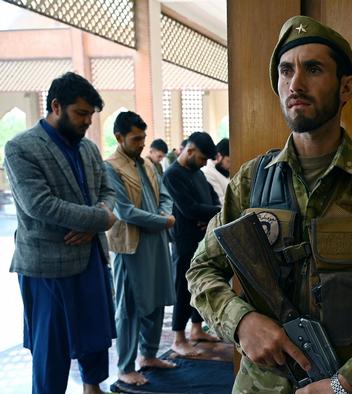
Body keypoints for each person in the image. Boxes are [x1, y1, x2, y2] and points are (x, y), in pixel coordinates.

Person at [186, 16, 352, 394]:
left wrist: (344, 384)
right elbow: (201, 270)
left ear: (346, 87)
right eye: (286, 71)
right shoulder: (250, 181)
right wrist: (241, 321)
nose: (295, 84)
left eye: (313, 69)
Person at [4, 72, 117, 394]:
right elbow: (39, 205)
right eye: (81, 114)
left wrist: (95, 219)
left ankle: (93, 388)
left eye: (91, 116)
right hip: (47, 265)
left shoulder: (89, 149)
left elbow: (108, 190)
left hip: (91, 257)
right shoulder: (21, 147)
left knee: (95, 336)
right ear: (56, 106)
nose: (86, 122)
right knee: (50, 347)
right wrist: (98, 219)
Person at [104, 111, 178, 386]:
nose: (141, 144)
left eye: (143, 138)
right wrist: (163, 220)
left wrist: (165, 215)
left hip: (156, 241)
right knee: (130, 308)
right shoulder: (110, 167)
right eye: (136, 139)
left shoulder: (147, 163)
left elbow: (166, 195)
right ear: (119, 137)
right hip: (130, 247)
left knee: (157, 300)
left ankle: (148, 355)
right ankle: (125, 367)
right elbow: (124, 210)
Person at [163, 131, 221, 356]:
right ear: (190, 150)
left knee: (201, 284)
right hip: (184, 239)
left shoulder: (197, 172)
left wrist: (211, 216)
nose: (204, 163)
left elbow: (213, 197)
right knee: (183, 288)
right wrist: (213, 213)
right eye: (202, 158)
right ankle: (179, 337)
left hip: (202, 237)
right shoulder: (173, 175)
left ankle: (196, 329)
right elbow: (189, 208)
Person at [201, 138, 231, 204]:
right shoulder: (208, 172)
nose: (231, 165)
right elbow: (220, 200)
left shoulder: (222, 169)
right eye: (229, 161)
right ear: (219, 156)